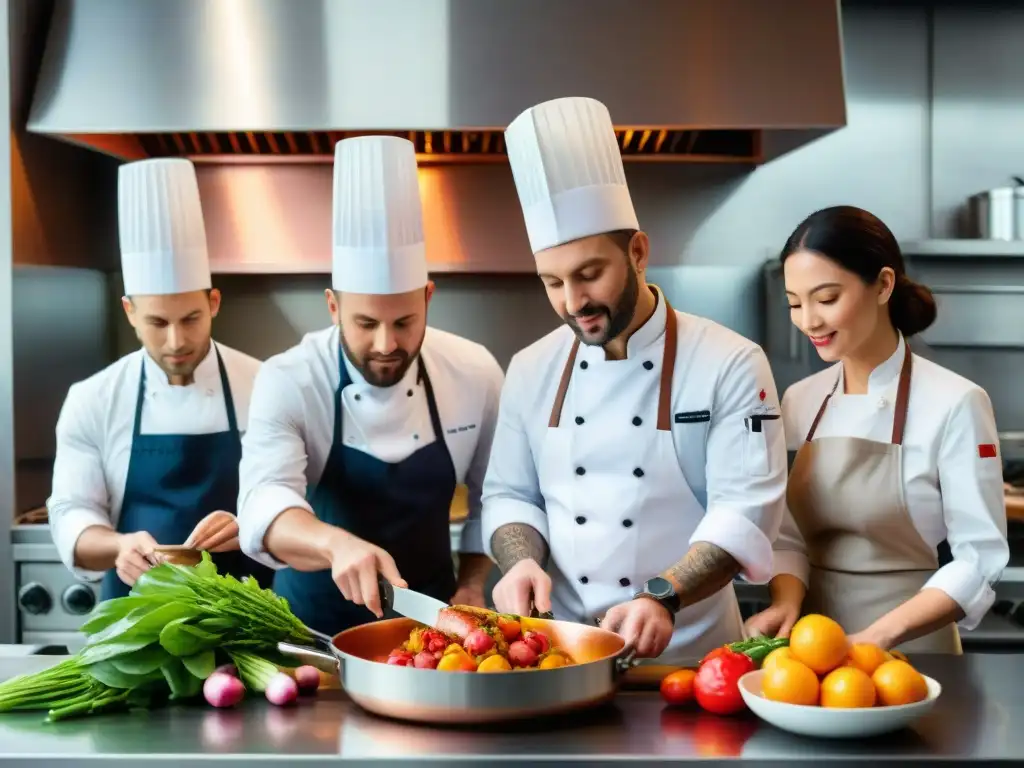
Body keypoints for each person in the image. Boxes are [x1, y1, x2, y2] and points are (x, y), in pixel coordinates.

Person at [480, 96, 788, 663]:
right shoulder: (530, 367)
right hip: (563, 655)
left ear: (639, 252)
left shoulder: (731, 361)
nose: (573, 303)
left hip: (693, 660)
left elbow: (745, 511)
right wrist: (520, 559)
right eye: (552, 282)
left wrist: (663, 597)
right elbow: (509, 496)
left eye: (589, 274)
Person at [236, 135, 504, 636]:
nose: (386, 343)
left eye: (404, 321)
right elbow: (262, 504)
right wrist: (336, 544)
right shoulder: (291, 378)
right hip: (311, 636)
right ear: (333, 307)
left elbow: (495, 497)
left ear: (428, 297)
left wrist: (471, 587)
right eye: (364, 324)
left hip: (434, 632)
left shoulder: (475, 371)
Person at [745, 205, 1009, 653]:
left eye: (826, 299)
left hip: (914, 653)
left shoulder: (957, 402)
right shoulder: (800, 400)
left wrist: (876, 638)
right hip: (812, 653)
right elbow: (786, 535)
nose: (808, 320)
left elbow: (979, 558)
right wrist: (786, 601)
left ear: (883, 284)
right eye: (795, 302)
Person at [47, 158, 272, 599]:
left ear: (214, 301)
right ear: (129, 312)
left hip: (250, 620)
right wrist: (117, 546)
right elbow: (73, 512)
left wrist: (258, 524)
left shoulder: (267, 386)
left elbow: (306, 501)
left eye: (191, 318)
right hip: (135, 628)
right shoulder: (93, 398)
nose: (176, 341)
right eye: (157, 322)